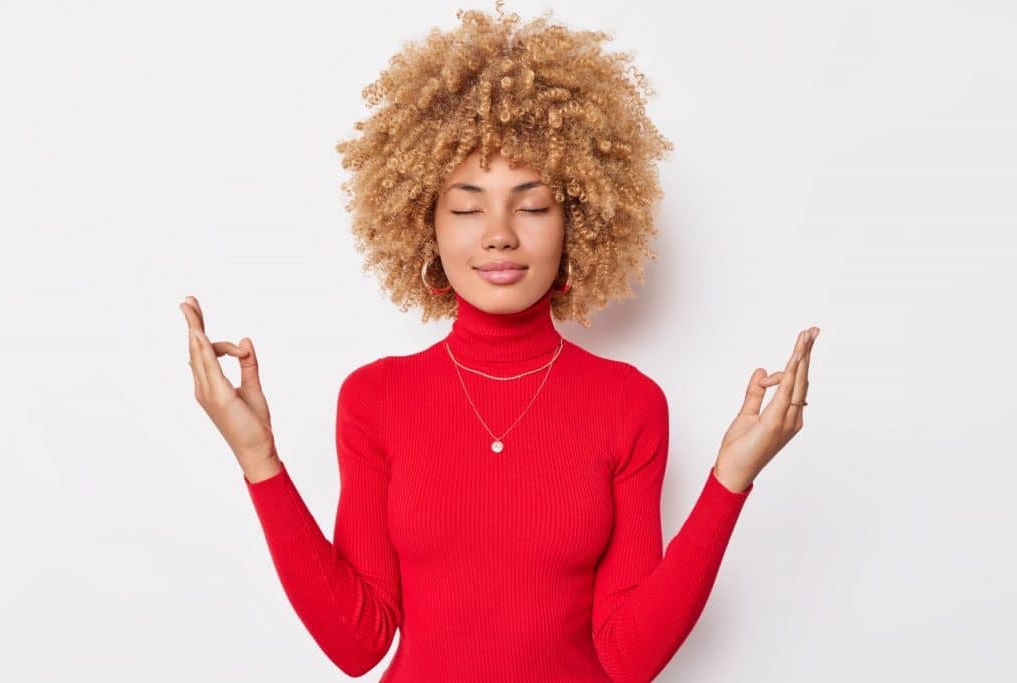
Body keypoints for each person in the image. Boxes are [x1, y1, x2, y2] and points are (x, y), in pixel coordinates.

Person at [180, 3, 819, 681]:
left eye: (533, 205)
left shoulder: (630, 404)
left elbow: (629, 657)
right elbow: (357, 642)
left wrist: (730, 478)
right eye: (465, 206)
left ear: (579, 222)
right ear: (423, 224)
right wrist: (258, 455)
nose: (499, 233)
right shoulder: (375, 399)